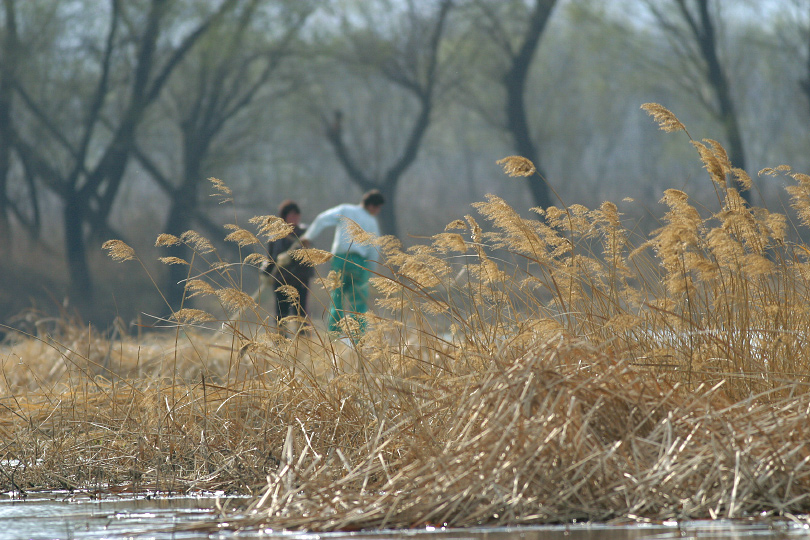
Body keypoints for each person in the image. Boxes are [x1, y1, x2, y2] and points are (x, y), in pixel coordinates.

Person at [300, 189, 385, 337]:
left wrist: (308, 236)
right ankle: (357, 338)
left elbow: (322, 219)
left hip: (339, 260)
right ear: (372, 206)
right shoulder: (371, 221)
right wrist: (371, 272)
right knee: (359, 302)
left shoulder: (345, 210)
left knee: (337, 298)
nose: (378, 212)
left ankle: (334, 337)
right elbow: (374, 249)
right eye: (378, 208)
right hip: (359, 263)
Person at [262, 200, 313, 329]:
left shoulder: (305, 234)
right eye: (291, 215)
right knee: (281, 312)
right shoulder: (276, 235)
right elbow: (270, 258)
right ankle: (281, 338)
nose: (294, 218)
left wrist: (291, 256)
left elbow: (310, 253)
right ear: (284, 216)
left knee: (300, 312)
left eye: (296, 215)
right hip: (281, 279)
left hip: (300, 279)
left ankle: (302, 338)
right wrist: (265, 273)